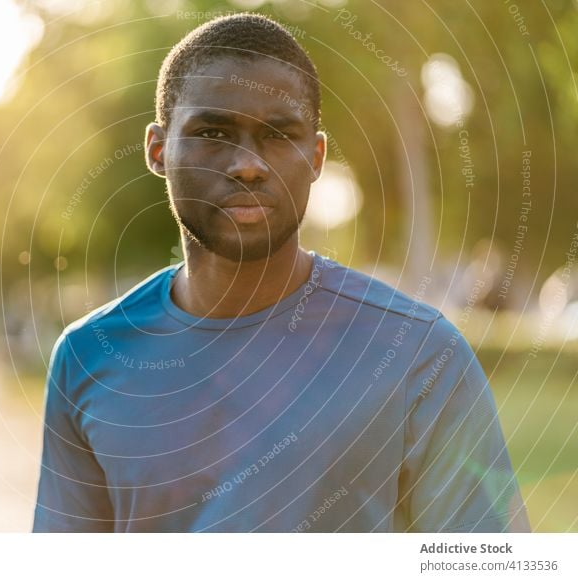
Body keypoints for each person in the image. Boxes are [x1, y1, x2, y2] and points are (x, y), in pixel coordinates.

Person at [32, 13, 529, 533]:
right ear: (159, 149)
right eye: (212, 131)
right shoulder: (87, 357)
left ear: (315, 157)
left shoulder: (418, 354)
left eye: (278, 134)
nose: (247, 165)